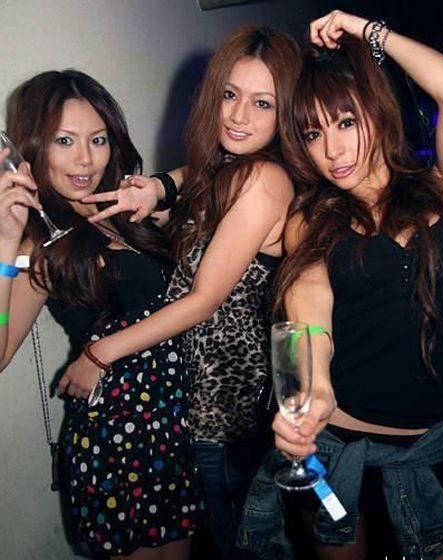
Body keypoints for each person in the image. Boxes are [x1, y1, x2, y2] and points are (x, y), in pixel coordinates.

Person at [243, 9, 443, 560]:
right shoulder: (312, 217)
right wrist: (314, 386)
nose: (333, 150)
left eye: (346, 122)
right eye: (314, 133)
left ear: (377, 110)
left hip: (426, 450)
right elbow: (308, 297)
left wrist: (363, 30)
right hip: (337, 447)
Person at [62, 26, 300, 560]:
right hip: (199, 415)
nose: (238, 116)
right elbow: (199, 172)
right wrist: (159, 186)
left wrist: (99, 354)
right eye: (229, 94)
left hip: (230, 418)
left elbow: (203, 300)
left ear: (285, 114)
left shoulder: (264, 179)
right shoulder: (230, 169)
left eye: (262, 103)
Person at [0, 70, 204, 560]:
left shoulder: (127, 210)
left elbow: (214, 173)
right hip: (116, 437)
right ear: (33, 148)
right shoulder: (41, 248)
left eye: (98, 139)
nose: (85, 159)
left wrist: (158, 187)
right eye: (64, 141)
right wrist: (6, 246)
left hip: (172, 427)